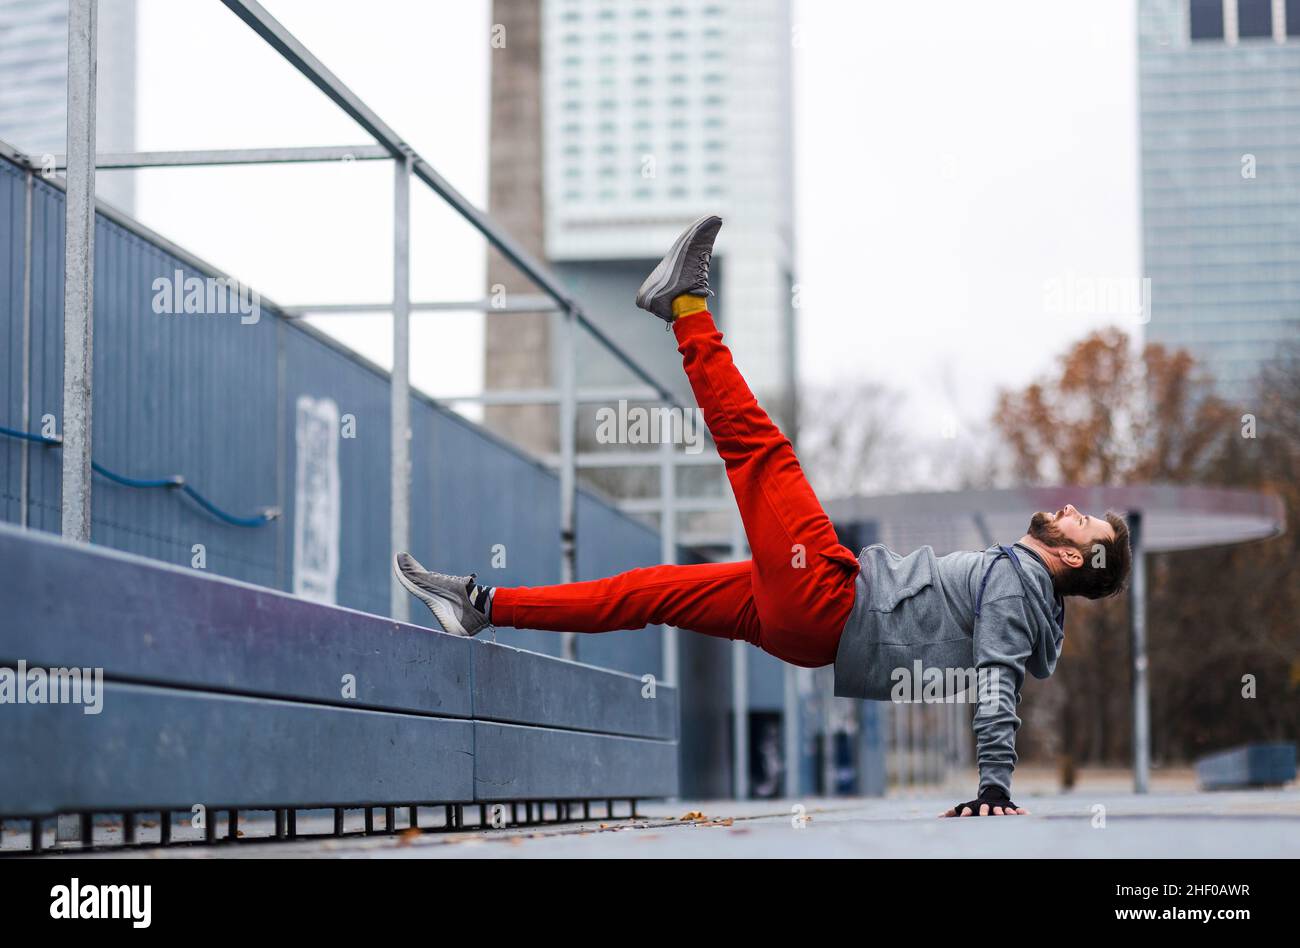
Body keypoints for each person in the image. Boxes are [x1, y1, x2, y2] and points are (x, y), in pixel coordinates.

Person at [393, 215, 1132, 818]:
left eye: (1083, 526)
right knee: (651, 591)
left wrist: (994, 785)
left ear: (1069, 559)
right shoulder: (1024, 589)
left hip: (832, 602)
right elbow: (998, 669)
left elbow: (999, 682)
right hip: (809, 628)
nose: (1070, 510)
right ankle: (483, 606)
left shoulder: (1018, 585)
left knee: (761, 451)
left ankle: (682, 305)